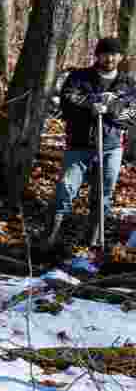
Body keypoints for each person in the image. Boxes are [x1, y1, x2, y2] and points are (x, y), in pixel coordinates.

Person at [45, 37, 136, 253]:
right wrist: (91, 106)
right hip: (79, 145)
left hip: (111, 147)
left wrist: (111, 108)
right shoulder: (79, 77)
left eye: (114, 54)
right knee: (66, 189)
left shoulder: (128, 84)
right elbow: (66, 103)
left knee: (103, 194)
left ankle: (93, 242)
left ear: (121, 57)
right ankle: (49, 240)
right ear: (97, 55)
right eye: (105, 54)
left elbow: (132, 114)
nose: (109, 58)